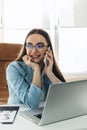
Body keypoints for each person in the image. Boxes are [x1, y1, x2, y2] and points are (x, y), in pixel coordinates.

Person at [6, 28, 65, 109]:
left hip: (44, 112)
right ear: (25, 47)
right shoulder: (14, 68)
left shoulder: (47, 67)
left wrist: (50, 73)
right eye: (29, 45)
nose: (34, 50)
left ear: (48, 49)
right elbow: (32, 103)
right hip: (21, 114)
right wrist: (36, 69)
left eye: (39, 46)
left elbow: (66, 96)